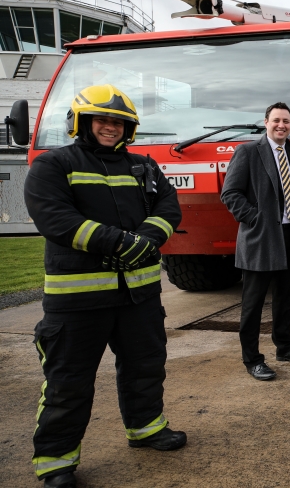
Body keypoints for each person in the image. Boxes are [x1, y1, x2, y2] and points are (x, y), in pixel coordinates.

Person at [24, 84, 186, 488]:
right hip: (76, 303)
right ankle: (56, 461)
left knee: (145, 369)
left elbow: (169, 207)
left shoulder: (144, 166)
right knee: (67, 382)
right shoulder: (52, 165)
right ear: (82, 122)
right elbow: (55, 219)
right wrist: (121, 243)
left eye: (118, 122)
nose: (110, 128)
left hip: (139, 297)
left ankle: (146, 428)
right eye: (102, 120)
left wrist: (145, 240)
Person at [221, 102, 290, 381]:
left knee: (284, 298)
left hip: (288, 235)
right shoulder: (248, 152)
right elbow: (230, 193)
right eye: (276, 120)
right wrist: (255, 219)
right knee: (253, 303)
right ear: (266, 122)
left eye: (286, 121)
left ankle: (285, 347)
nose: (281, 125)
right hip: (261, 237)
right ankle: (252, 359)